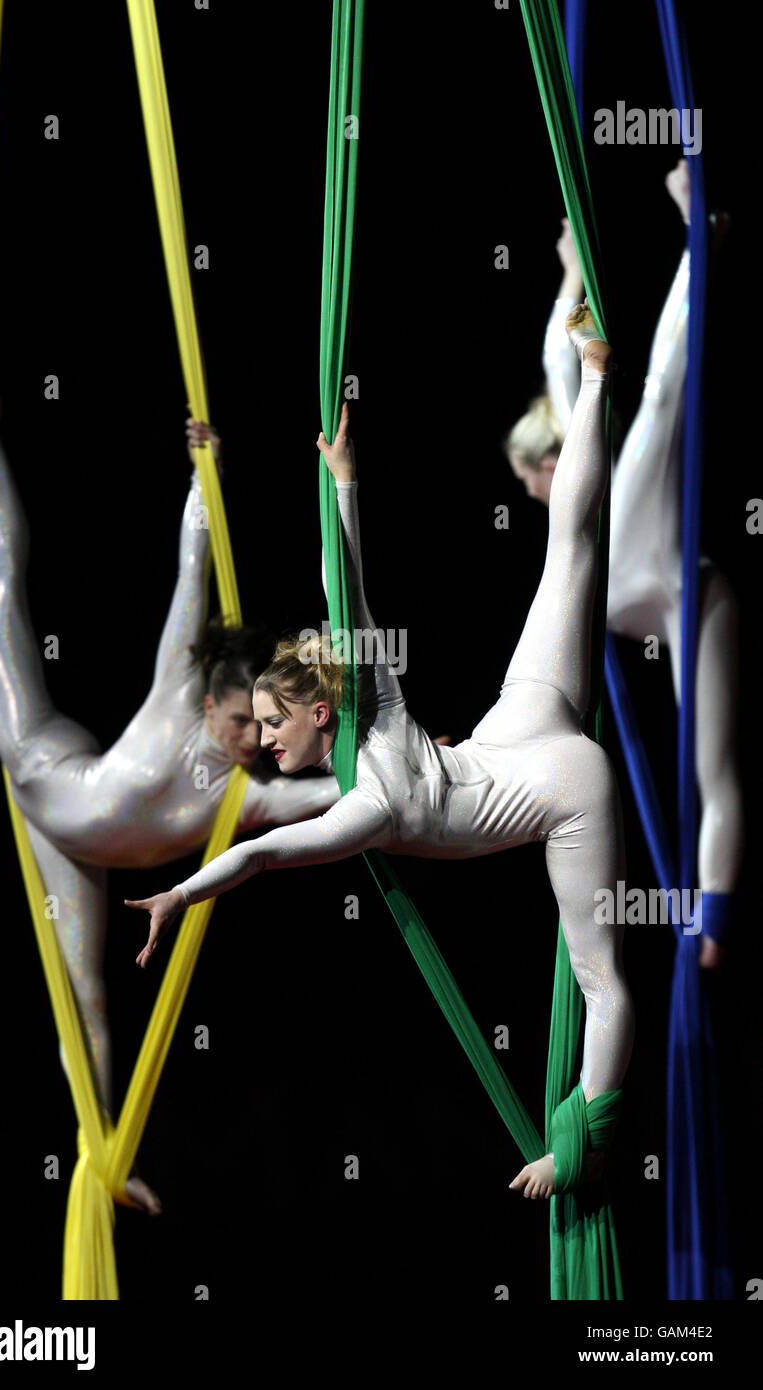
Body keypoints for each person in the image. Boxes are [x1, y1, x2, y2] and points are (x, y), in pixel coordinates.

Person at [126, 311, 637, 1201]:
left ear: (318, 713)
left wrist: (180, 892)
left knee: (602, 981)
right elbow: (347, 591)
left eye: (271, 724)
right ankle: (593, 375)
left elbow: (263, 854)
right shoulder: (381, 709)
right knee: (568, 545)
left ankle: (584, 1146)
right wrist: (346, 488)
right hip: (513, 729)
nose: (264, 739)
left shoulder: (368, 808)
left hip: (556, 787)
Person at [0, 356, 340, 1211]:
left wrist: (418, 761)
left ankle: (105, 1155)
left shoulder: (248, 799)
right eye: (242, 724)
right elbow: (190, 574)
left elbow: (345, 798)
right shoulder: (176, 694)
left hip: (69, 845)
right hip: (42, 756)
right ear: (210, 702)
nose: (253, 741)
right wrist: (208, 474)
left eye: (267, 729)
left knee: (88, 1002)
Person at [505, 160, 742, 971]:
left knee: (709, 758)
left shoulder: (601, 465)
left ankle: (713, 915)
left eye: (528, 478)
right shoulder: (573, 524)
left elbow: (636, 372)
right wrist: (568, 271)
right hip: (642, 591)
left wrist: (682, 244)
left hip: (689, 594)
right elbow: (552, 357)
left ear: (546, 461)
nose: (533, 493)